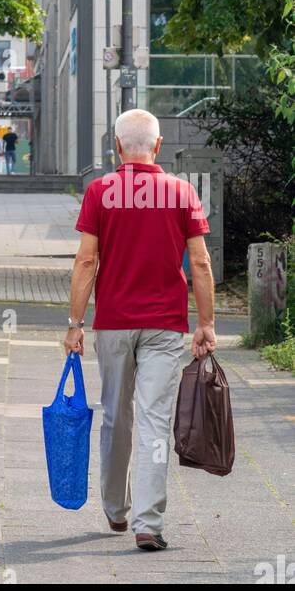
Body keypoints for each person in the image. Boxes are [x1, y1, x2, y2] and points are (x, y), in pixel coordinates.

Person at [63, 108, 214, 553]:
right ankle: (148, 522)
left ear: (116, 147)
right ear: (158, 145)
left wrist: (75, 324)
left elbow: (86, 261)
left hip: (113, 324)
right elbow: (201, 262)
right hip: (166, 325)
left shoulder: (100, 192)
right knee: (153, 420)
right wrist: (205, 323)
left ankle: (115, 508)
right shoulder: (180, 191)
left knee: (116, 414)